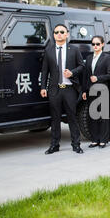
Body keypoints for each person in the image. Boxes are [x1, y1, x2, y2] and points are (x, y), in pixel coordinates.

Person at [40, 24, 85, 155]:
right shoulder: (49, 50)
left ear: (67, 34)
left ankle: (76, 145)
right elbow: (44, 71)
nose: (59, 34)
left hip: (69, 89)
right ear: (53, 35)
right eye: (56, 32)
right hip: (54, 89)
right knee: (55, 118)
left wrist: (72, 73)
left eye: (62, 32)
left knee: (72, 117)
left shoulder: (74, 50)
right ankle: (54, 145)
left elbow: (82, 66)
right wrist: (43, 87)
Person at [82, 36, 110, 148]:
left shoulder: (107, 57)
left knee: (103, 116)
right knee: (92, 115)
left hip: (103, 89)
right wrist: (84, 90)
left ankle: (104, 140)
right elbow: (86, 75)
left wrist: (98, 78)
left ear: (102, 44)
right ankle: (95, 139)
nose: (95, 46)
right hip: (91, 90)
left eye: (98, 44)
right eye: (93, 44)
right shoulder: (89, 58)